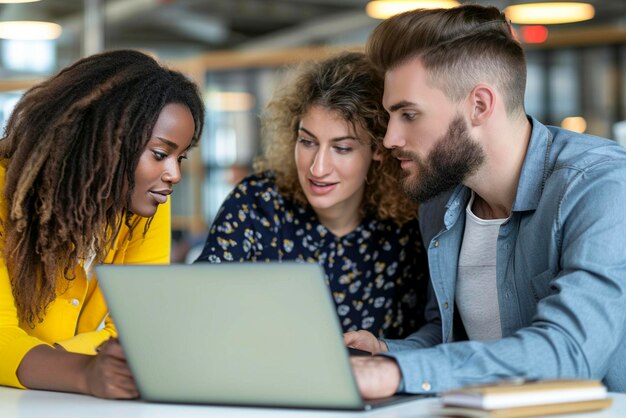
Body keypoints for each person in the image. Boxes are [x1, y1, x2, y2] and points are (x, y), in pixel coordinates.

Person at [345, 4, 626, 398]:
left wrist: (397, 373)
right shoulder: (440, 203)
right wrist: (387, 354)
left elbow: (569, 352)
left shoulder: (601, 187)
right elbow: (455, 344)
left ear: (479, 105)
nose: (390, 138)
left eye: (408, 114)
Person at [0, 50, 204, 398]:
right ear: (102, 139)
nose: (174, 175)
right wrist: (84, 373)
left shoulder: (146, 201)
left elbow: (137, 327)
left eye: (180, 157)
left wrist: (66, 366)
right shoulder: (7, 196)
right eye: (159, 154)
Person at [196, 52, 428, 339]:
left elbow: (430, 335)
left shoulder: (409, 228)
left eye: (342, 148)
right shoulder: (257, 202)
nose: (318, 168)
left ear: (379, 149)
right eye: (307, 142)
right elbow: (199, 302)